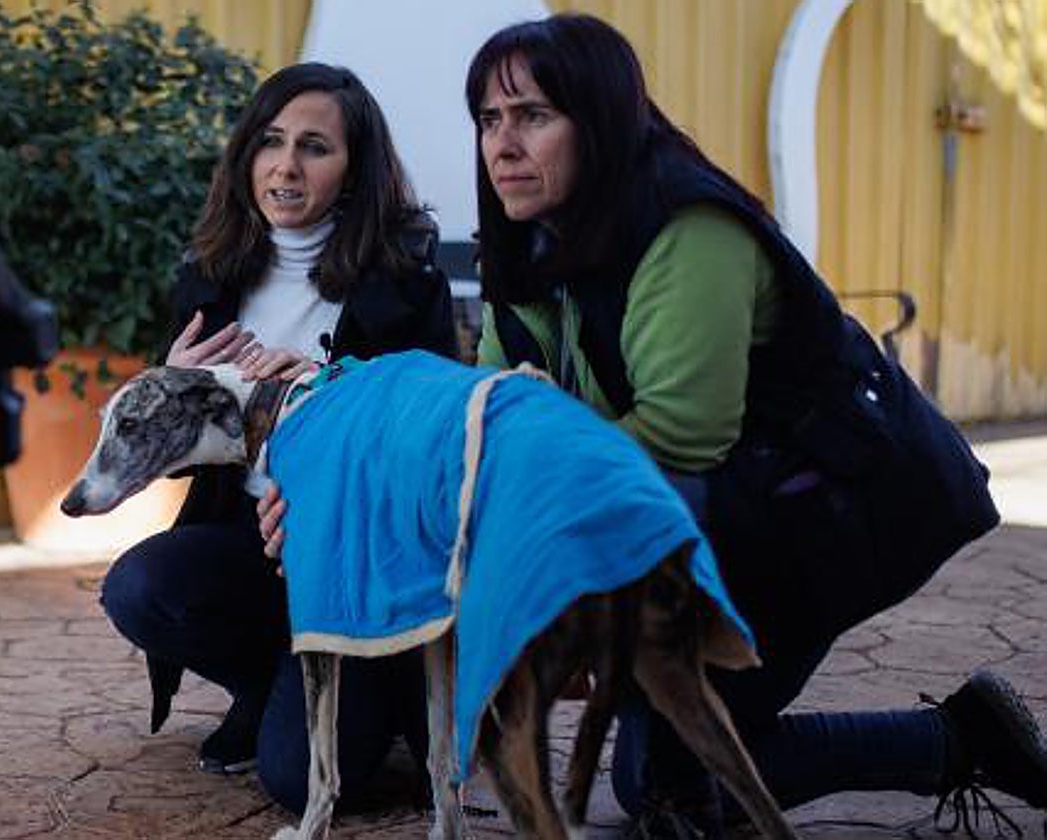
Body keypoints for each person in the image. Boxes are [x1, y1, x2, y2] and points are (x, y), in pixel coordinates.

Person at [255, 14, 1047, 835]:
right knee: (656, 776)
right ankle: (957, 736)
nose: (503, 145)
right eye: (489, 120)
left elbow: (677, 439)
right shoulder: (527, 250)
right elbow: (483, 429)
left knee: (675, 777)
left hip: (829, 515)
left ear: (598, 121)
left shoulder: (688, 230)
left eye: (532, 115)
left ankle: (943, 742)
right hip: (717, 520)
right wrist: (342, 501)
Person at [99, 62, 457, 814]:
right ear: (246, 156)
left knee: (300, 783)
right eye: (271, 141)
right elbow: (169, 461)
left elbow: (429, 440)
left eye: (315, 147)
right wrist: (172, 385)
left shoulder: (403, 275)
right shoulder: (212, 273)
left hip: (354, 558)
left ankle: (380, 696)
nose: (286, 166)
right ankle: (267, 687)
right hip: (248, 538)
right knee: (141, 587)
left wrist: (329, 386)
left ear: (354, 170)